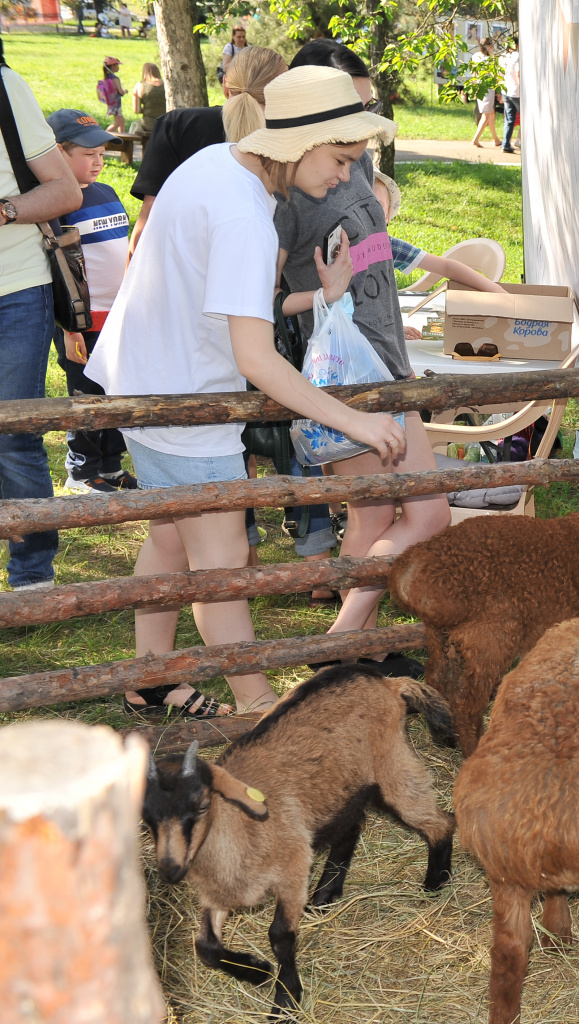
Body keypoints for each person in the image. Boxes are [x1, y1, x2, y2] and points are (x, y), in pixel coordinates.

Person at [85, 65, 404, 719]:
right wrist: (358, 422)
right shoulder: (243, 215)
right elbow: (255, 357)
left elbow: (236, 309)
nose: (345, 175)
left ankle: (150, 678)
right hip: (178, 398)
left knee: (174, 538)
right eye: (341, 158)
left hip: (151, 380)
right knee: (222, 561)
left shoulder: (218, 166)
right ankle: (259, 711)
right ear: (301, 141)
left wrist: (322, 295)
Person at [277, 39, 451, 676]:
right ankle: (339, 645)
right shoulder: (290, 184)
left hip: (386, 359)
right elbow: (262, 299)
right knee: (429, 513)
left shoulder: (352, 160)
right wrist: (323, 293)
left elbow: (377, 254)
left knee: (375, 512)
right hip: (345, 370)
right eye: (356, 102)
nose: (365, 118)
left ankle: (361, 648)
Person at [0, 45, 85, 592]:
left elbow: (65, 188)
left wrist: (4, 210)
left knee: (12, 432)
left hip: (14, 289)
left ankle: (32, 575)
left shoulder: (5, 87)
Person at [126, 46, 286, 257]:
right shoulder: (294, 142)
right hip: (259, 271)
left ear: (225, 86)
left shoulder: (177, 125)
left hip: (181, 272)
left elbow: (147, 225)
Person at [48, 109, 135, 494]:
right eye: (88, 155)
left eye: (102, 153)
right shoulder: (55, 204)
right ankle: (81, 469)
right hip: (81, 323)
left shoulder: (108, 192)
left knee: (115, 393)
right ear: (57, 153)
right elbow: (58, 271)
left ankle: (112, 465)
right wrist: (69, 329)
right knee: (86, 397)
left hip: (116, 318)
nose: (99, 162)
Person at [370, 169, 505, 314]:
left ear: (387, 215)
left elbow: (446, 267)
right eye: (356, 207)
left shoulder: (389, 247)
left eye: (376, 206)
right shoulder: (341, 250)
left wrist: (498, 292)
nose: (366, 213)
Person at [469, 38, 498, 148]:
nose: (493, 48)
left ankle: (496, 139)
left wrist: (475, 87)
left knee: (491, 113)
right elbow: (494, 75)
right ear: (487, 46)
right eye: (491, 46)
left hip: (480, 87)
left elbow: (474, 74)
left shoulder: (475, 56)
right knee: (486, 114)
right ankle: (475, 139)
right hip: (488, 88)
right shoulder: (489, 59)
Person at [129, 61, 164, 138]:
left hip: (149, 125)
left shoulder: (140, 86)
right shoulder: (166, 85)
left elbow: (136, 110)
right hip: (165, 124)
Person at [498, 44, 520, 153]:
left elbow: (499, 75)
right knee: (526, 118)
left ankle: (505, 144)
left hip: (506, 90)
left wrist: (500, 92)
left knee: (509, 119)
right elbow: (518, 73)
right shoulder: (517, 56)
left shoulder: (502, 57)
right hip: (517, 92)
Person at [97, 56, 126, 133]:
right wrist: (125, 91)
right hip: (116, 104)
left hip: (112, 104)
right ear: (113, 66)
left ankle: (123, 140)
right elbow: (121, 92)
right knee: (117, 124)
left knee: (122, 122)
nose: (118, 67)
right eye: (117, 65)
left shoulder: (107, 79)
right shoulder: (115, 79)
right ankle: (103, 137)